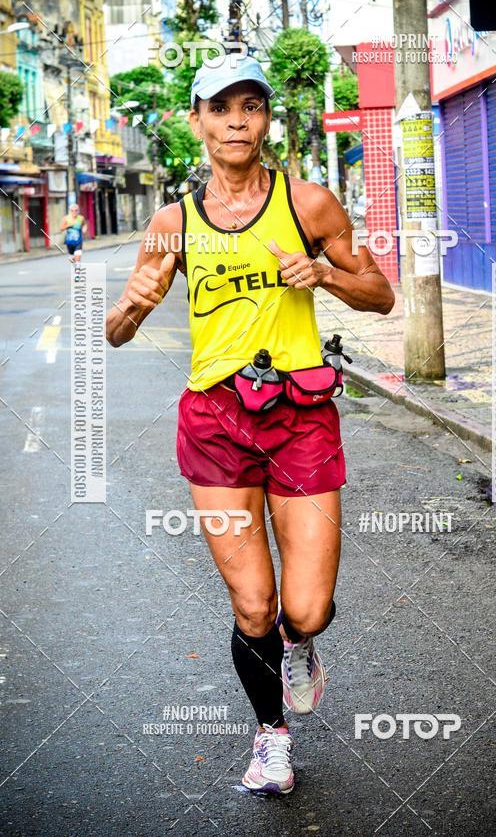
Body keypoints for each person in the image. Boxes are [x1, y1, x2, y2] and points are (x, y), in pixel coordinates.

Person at [106, 54, 395, 794]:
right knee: (253, 604)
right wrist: (133, 306)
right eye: (221, 107)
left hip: (300, 416)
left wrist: (324, 274)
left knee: (306, 607)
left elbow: (381, 294)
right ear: (197, 121)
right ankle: (272, 738)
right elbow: (115, 331)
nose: (238, 120)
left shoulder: (310, 205)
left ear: (266, 120)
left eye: (251, 106)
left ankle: (302, 644)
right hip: (216, 422)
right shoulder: (172, 223)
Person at [61, 203, 87, 270]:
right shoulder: (66, 218)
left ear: (78, 211)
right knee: (72, 259)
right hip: (69, 242)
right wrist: (68, 225)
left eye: (76, 210)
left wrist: (84, 229)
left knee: (78, 258)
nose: (74, 212)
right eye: (72, 210)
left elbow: (84, 224)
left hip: (78, 241)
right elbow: (61, 228)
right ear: (69, 211)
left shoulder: (81, 218)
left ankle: (77, 274)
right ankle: (74, 264)